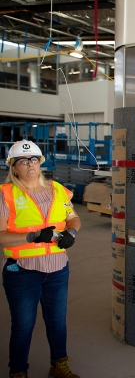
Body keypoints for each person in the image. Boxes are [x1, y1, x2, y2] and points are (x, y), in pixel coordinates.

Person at [0, 140, 81, 378]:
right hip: (22, 271)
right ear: (13, 168)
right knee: (23, 326)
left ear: (41, 163)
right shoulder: (6, 195)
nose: (30, 164)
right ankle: (18, 372)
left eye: (34, 159)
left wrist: (72, 232)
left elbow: (73, 217)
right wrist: (33, 236)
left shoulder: (58, 190)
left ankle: (59, 365)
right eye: (23, 161)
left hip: (57, 269)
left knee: (57, 322)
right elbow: (1, 236)